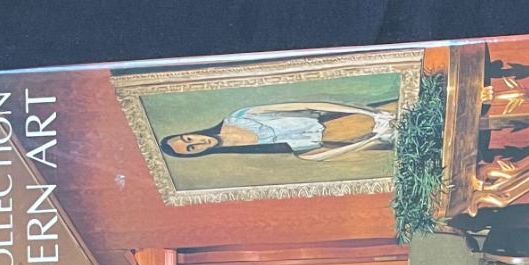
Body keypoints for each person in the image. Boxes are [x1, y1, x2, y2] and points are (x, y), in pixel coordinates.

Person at [161, 100, 397, 164]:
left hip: (353, 117)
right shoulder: (250, 154)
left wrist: (367, 112)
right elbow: (313, 155)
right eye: (191, 148)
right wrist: (371, 141)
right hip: (351, 140)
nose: (197, 142)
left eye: (189, 138)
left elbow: (309, 105)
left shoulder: (240, 117)